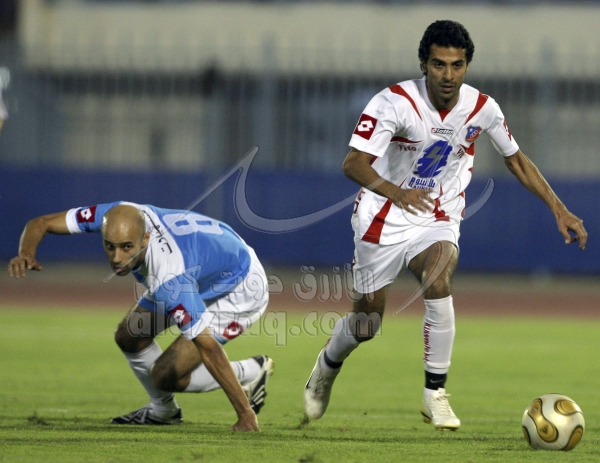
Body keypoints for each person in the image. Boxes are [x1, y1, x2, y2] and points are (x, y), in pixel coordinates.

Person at [303, 20, 587, 430]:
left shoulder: (482, 107)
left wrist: (558, 208)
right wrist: (397, 193)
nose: (448, 75)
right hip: (382, 216)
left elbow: (516, 160)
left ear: (467, 65)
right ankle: (327, 365)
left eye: (457, 65)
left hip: (438, 213)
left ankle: (434, 394)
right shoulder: (394, 102)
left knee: (439, 278)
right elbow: (353, 163)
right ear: (424, 63)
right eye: (439, 64)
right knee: (367, 322)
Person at [8, 201, 274, 431]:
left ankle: (251, 370)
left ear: (146, 238)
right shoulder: (116, 215)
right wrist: (26, 253)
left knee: (165, 376)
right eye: (110, 246)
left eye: (127, 247)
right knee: (129, 336)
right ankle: (164, 412)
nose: (117, 258)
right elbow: (41, 223)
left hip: (238, 288)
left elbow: (209, 348)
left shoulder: (168, 277)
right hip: (206, 266)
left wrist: (245, 414)